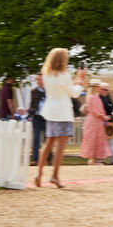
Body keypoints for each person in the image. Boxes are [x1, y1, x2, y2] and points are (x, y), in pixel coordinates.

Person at [35, 48, 87, 187]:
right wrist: (81, 81)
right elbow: (74, 94)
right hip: (63, 112)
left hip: (50, 111)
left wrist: (76, 80)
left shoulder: (46, 74)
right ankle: (55, 176)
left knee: (48, 144)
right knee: (60, 146)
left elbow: (65, 88)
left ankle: (38, 174)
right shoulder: (64, 74)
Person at [80, 79, 112, 165]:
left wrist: (103, 117)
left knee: (96, 139)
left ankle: (94, 159)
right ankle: (93, 160)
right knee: (93, 139)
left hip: (96, 122)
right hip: (93, 122)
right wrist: (103, 117)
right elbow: (94, 111)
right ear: (95, 87)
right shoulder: (92, 97)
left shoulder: (94, 97)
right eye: (98, 86)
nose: (99, 88)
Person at [28, 74, 50, 165]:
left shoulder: (49, 91)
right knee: (36, 139)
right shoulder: (33, 91)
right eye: (37, 79)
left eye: (40, 79)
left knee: (48, 140)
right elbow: (32, 104)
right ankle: (35, 159)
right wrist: (30, 113)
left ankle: (48, 159)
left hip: (47, 118)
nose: (38, 81)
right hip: (37, 118)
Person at [99, 83, 113, 165]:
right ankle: (101, 160)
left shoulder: (107, 97)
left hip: (110, 122)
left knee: (111, 142)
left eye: (107, 90)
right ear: (100, 89)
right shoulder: (98, 98)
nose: (106, 91)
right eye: (105, 89)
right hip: (102, 122)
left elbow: (112, 107)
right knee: (102, 142)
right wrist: (105, 121)